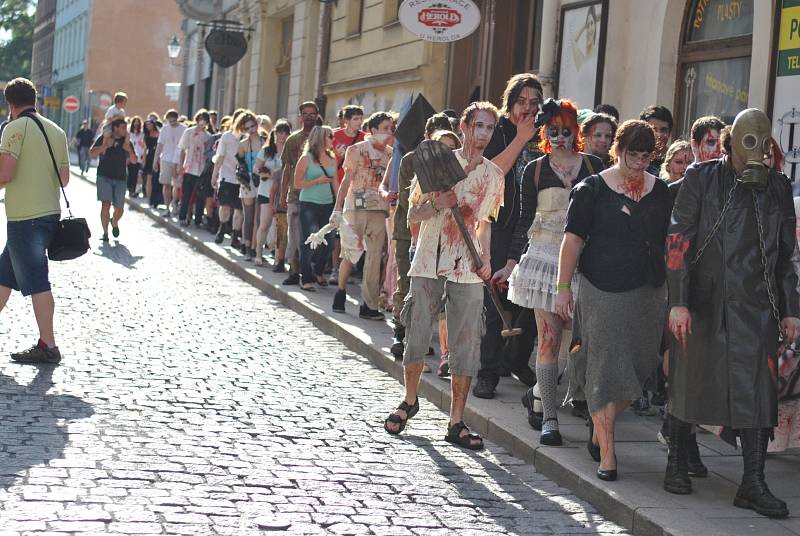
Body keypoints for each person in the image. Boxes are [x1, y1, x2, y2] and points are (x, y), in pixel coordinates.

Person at [664, 108, 800, 518]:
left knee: (757, 393)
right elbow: (678, 239)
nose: (756, 153)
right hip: (705, 302)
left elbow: (786, 256)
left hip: (758, 306)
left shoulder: (777, 187)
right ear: (731, 142)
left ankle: (752, 481)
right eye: (748, 142)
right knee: (691, 382)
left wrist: (791, 309)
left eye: (763, 143)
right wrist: (678, 300)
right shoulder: (701, 178)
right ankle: (676, 460)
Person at [383, 101, 505, 451]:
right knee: (418, 331)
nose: (483, 134)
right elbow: (413, 216)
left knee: (466, 344)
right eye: (478, 126)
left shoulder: (493, 176)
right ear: (465, 126)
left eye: (489, 128)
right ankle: (409, 400)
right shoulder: (439, 162)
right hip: (428, 261)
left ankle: (456, 421)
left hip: (467, 267)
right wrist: (440, 201)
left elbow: (484, 225)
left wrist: (486, 260)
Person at [555, 120, 671, 481]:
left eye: (645, 156)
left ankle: (598, 427)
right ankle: (608, 454)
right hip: (601, 287)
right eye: (631, 155)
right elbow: (572, 240)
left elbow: (671, 242)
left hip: (649, 291)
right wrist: (562, 289)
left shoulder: (662, 190)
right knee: (605, 369)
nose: (638, 163)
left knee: (638, 367)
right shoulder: (592, 188)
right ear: (618, 150)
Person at [497, 99, 603, 445]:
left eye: (566, 131)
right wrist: (512, 263)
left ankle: (541, 397)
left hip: (583, 263)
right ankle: (550, 419)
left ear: (577, 132)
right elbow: (523, 220)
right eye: (553, 131)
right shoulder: (535, 170)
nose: (560, 137)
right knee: (549, 339)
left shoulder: (594, 166)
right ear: (544, 133)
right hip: (542, 259)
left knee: (574, 343)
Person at [477, 73, 542, 399]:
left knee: (532, 301)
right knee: (497, 298)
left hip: (536, 227)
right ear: (511, 102)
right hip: (500, 223)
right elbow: (493, 171)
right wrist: (520, 137)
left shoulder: (544, 133)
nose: (527, 109)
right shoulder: (500, 129)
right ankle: (487, 371)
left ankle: (515, 359)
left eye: (534, 103)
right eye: (521, 102)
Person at [0, 78, 70, 364]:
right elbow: (64, 178)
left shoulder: (14, 128)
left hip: (24, 217)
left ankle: (48, 345)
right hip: (48, 214)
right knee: (3, 275)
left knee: (38, 281)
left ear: (10, 104)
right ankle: (48, 343)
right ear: (35, 100)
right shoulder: (56, 130)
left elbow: (5, 173)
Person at [383, 113, 453, 360]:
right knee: (406, 282)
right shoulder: (411, 160)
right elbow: (406, 200)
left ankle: (430, 340)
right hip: (407, 230)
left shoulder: (453, 161)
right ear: (426, 136)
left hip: (440, 236)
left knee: (438, 290)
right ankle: (400, 332)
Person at [330, 111, 394, 320]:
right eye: (385, 128)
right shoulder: (355, 150)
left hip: (378, 209)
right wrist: (338, 208)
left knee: (375, 257)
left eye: (390, 129)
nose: (389, 132)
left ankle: (369, 304)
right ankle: (340, 291)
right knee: (350, 252)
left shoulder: (391, 154)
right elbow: (347, 180)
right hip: (355, 207)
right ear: (373, 130)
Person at [280, 102, 320, 285]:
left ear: (317, 115)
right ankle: (295, 271)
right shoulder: (293, 140)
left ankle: (312, 272)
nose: (309, 117)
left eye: (313, 113)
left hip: (318, 195)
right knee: (294, 236)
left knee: (313, 236)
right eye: (306, 113)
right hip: (295, 196)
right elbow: (287, 169)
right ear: (300, 116)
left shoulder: (323, 138)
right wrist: (282, 195)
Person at [294, 126, 337, 290]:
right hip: (309, 204)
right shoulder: (306, 159)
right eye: (330, 136)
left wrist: (340, 204)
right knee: (309, 241)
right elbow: (297, 183)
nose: (333, 139)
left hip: (328, 204)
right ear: (320, 138)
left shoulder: (332, 158)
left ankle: (318, 271)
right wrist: (316, 181)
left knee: (331, 242)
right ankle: (306, 278)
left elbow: (336, 183)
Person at [90, 117, 137, 240]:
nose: (125, 130)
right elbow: (91, 153)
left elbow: (134, 160)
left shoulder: (126, 142)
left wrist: (129, 150)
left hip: (120, 178)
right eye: (122, 127)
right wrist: (105, 146)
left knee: (119, 209)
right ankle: (105, 233)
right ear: (115, 128)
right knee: (105, 204)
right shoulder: (104, 138)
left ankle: (114, 221)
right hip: (104, 176)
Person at [254, 119, 290, 267]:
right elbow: (256, 169)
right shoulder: (266, 150)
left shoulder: (290, 151)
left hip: (282, 193)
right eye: (279, 132)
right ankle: (258, 254)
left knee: (281, 227)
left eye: (285, 133)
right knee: (264, 224)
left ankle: (278, 258)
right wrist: (271, 174)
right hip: (265, 191)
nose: (282, 136)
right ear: (274, 134)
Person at [212, 109, 245, 245]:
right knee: (225, 206)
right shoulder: (226, 137)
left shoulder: (247, 138)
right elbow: (220, 156)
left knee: (238, 209)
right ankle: (222, 228)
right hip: (226, 176)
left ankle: (235, 235)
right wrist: (215, 174)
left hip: (242, 180)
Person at [178, 109, 212, 227]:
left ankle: (198, 219)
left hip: (202, 169)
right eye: (200, 120)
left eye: (205, 121)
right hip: (189, 167)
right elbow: (182, 149)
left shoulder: (208, 136)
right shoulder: (189, 132)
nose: (202, 123)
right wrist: (180, 165)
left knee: (200, 196)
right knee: (186, 194)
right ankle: (182, 216)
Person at [237, 112, 263, 259]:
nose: (251, 129)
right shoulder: (242, 144)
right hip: (248, 182)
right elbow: (239, 165)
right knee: (248, 215)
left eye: (253, 126)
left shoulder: (264, 140)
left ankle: (254, 246)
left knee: (259, 217)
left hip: (263, 180)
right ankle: (246, 245)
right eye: (247, 128)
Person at [154, 109, 187, 217]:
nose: (172, 123)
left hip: (178, 159)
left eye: (174, 121)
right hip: (166, 159)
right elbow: (160, 145)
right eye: (170, 121)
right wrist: (156, 160)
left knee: (177, 185)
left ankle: (174, 205)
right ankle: (167, 207)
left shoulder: (184, 129)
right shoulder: (164, 129)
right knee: (166, 184)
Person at [639, 105, 673, 176]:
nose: (659, 135)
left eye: (663, 130)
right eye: (653, 129)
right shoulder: (635, 158)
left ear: (669, 133)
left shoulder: (675, 160)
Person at [142, 119, 160, 206]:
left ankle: (156, 199)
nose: (148, 126)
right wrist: (144, 160)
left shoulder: (159, 134)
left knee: (156, 179)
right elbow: (145, 149)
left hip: (158, 156)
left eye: (150, 124)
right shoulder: (146, 136)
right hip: (150, 157)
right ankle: (149, 199)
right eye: (147, 125)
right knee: (149, 178)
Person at [127, 116, 145, 196]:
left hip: (138, 156)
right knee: (130, 173)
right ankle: (130, 188)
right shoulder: (129, 134)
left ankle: (134, 190)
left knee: (136, 173)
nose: (136, 124)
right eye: (135, 122)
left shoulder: (142, 134)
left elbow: (144, 146)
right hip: (130, 155)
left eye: (138, 122)